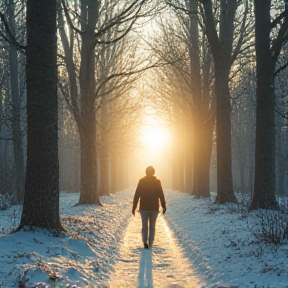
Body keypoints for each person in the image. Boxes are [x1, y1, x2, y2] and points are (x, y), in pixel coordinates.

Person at [132, 166, 166, 249]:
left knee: (144, 226)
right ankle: (150, 243)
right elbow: (161, 194)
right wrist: (163, 206)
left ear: (146, 172)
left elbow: (137, 195)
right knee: (152, 226)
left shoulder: (142, 181)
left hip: (144, 207)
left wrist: (134, 207)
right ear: (153, 172)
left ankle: (144, 242)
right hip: (154, 207)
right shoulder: (157, 182)